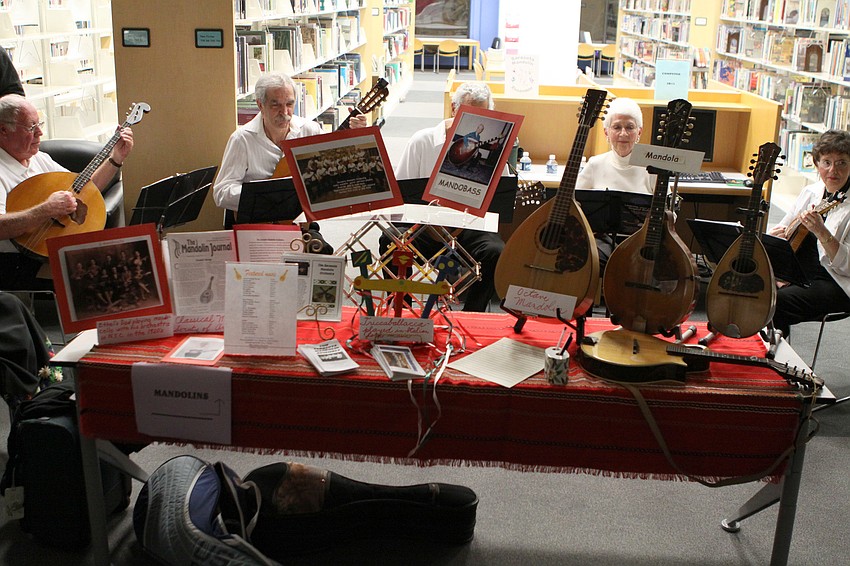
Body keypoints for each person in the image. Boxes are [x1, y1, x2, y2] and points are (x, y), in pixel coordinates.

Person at [0, 94, 134, 291]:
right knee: (108, 276)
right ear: (3, 130)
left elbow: (83, 189)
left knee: (129, 261)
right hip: (17, 262)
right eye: (31, 127)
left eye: (40, 124)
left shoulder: (38, 158)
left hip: (54, 250)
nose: (40, 133)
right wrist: (45, 210)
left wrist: (116, 158)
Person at [391, 82, 504, 312]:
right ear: (454, 108)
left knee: (495, 251)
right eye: (468, 113)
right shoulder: (423, 141)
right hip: (424, 227)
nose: (475, 121)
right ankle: (401, 312)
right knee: (391, 243)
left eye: (482, 115)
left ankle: (473, 313)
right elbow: (400, 197)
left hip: (467, 227)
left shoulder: (491, 148)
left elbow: (499, 199)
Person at [213, 72, 367, 213]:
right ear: (260, 105)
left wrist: (355, 137)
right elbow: (221, 192)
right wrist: (263, 197)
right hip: (257, 223)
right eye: (276, 105)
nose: (285, 112)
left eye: (289, 104)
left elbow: (337, 170)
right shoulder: (242, 139)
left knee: (322, 245)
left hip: (300, 220)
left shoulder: (310, 130)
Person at [768, 129, 850, 338]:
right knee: (754, 289)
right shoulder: (811, 192)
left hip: (836, 282)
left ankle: (775, 358)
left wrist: (822, 232)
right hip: (800, 273)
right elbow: (785, 230)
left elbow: (847, 266)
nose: (833, 170)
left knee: (775, 303)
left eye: (842, 162)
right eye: (826, 162)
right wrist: (778, 236)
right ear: (817, 164)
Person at [575, 96, 654, 270]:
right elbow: (574, 205)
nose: (623, 134)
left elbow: (671, 213)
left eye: (630, 127)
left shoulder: (652, 167)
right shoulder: (595, 164)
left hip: (640, 243)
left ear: (639, 132)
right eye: (617, 127)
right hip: (601, 242)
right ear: (606, 132)